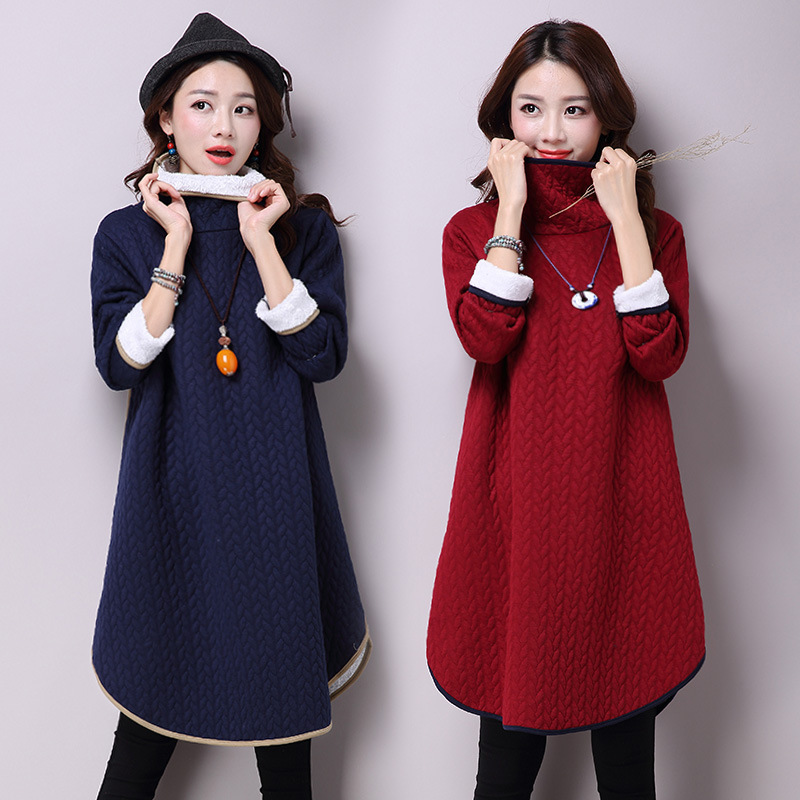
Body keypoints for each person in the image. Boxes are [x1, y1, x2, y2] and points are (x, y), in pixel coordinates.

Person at [90, 14, 370, 800]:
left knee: (284, 752)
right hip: (169, 503)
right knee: (142, 734)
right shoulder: (126, 235)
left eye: (243, 108)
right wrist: (175, 248)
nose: (224, 126)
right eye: (203, 104)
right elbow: (118, 365)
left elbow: (322, 357)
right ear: (165, 118)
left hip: (277, 509)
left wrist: (263, 242)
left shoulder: (302, 230)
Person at [427, 20, 704, 800]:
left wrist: (625, 221)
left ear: (607, 118)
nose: (551, 132)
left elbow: (659, 356)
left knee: (628, 770)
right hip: (515, 525)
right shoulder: (473, 232)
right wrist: (511, 212)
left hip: (626, 519)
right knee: (504, 769)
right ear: (504, 119)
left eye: (574, 110)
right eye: (531, 109)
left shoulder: (657, 234)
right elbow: (485, 339)